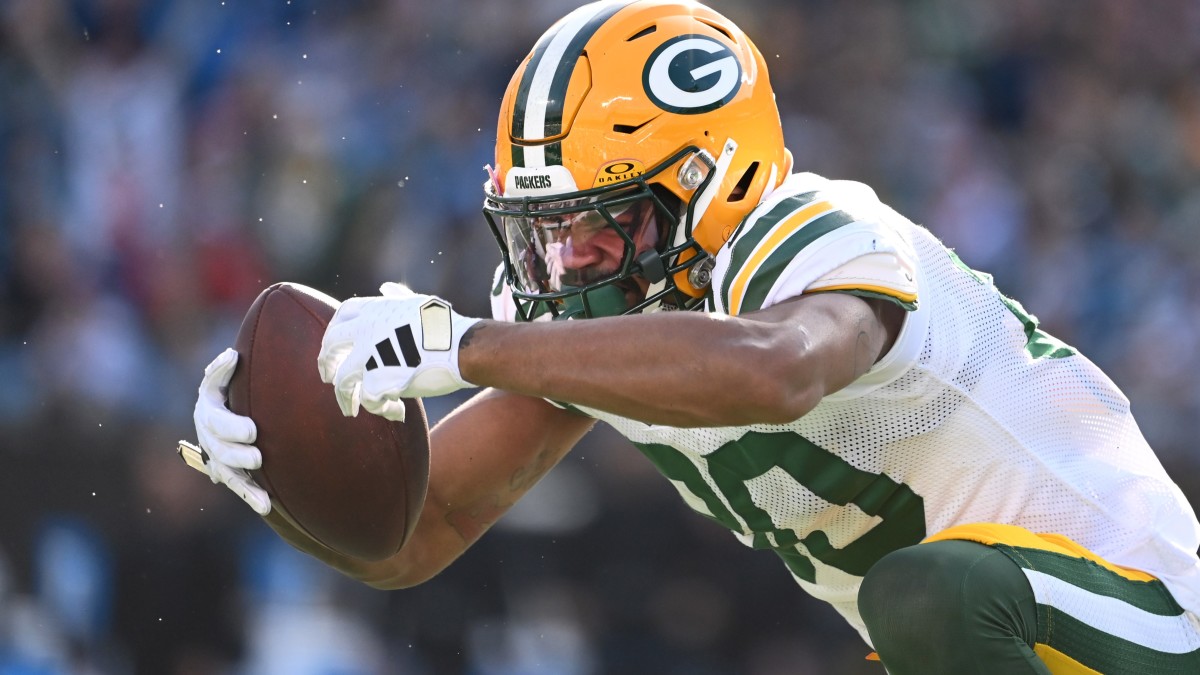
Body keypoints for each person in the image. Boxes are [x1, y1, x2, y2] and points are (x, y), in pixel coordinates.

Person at [188, 1, 1200, 672]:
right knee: (922, 603)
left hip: (1143, 610)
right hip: (980, 644)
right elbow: (418, 534)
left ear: (713, 183)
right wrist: (278, 477)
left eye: (603, 220)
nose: (570, 261)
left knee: (927, 593)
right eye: (546, 229)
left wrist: (466, 347)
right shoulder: (594, 324)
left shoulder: (815, 230)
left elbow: (777, 369)